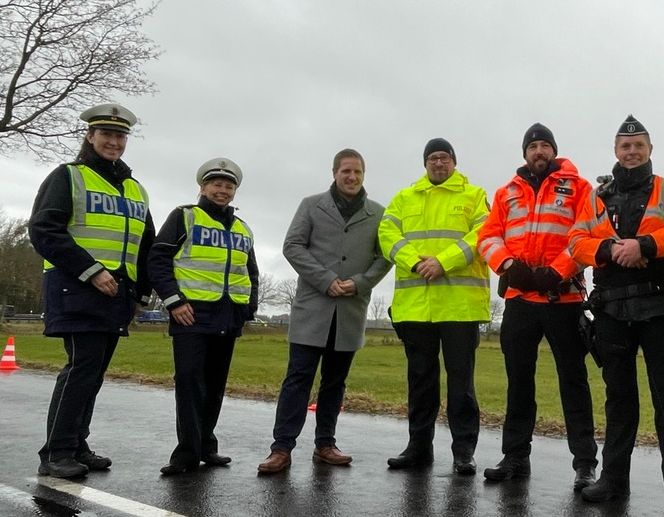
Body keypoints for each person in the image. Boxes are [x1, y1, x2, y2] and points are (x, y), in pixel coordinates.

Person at [567, 115, 664, 514]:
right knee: (619, 400)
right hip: (612, 310)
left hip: (661, 307)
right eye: (625, 146)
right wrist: (610, 250)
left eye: (639, 145)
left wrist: (645, 246)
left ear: (650, 149)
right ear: (616, 150)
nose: (632, 151)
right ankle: (613, 480)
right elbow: (576, 241)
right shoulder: (596, 196)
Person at [28, 103, 155, 479]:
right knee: (81, 368)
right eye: (106, 135)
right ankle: (56, 452)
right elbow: (43, 230)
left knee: (94, 372)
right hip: (77, 288)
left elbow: (145, 245)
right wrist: (91, 270)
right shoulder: (68, 176)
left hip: (117, 294)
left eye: (120, 136)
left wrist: (140, 294)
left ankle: (76, 444)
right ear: (90, 136)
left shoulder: (136, 189)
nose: (114, 142)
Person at [478, 123, 599, 491]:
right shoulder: (506, 192)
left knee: (573, 381)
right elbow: (488, 236)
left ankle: (585, 464)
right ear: (525, 153)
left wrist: (556, 272)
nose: (539, 152)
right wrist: (509, 266)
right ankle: (515, 456)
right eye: (533, 147)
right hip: (519, 300)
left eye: (545, 146)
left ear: (554, 151)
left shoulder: (579, 188)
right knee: (518, 382)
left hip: (563, 298)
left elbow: (588, 234)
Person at [257, 149, 392, 474]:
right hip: (312, 309)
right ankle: (281, 449)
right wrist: (325, 280)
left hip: (350, 311)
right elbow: (292, 246)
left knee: (335, 382)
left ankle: (325, 445)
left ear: (363, 175)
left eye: (357, 172)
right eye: (346, 171)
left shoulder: (378, 213)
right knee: (297, 380)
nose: (352, 177)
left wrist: (359, 283)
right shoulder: (311, 205)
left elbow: (385, 256)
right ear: (334, 173)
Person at [378, 138, 490, 474]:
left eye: (444, 157)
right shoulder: (404, 197)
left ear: (454, 161)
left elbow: (483, 234)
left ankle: (463, 452)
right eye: (432, 158)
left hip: (459, 307)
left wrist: (443, 262)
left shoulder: (474, 196)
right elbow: (387, 234)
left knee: (461, 384)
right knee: (420, 383)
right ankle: (418, 448)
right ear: (425, 163)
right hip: (415, 308)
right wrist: (415, 262)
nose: (438, 163)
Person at [151, 158, 259, 476]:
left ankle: (206, 445)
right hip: (191, 316)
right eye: (216, 184)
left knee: (214, 385)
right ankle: (186, 454)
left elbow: (250, 272)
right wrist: (173, 301)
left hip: (228, 316)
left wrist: (248, 309)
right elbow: (158, 259)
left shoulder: (243, 228)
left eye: (228, 186)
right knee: (189, 383)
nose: (222, 190)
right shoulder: (184, 216)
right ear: (203, 187)